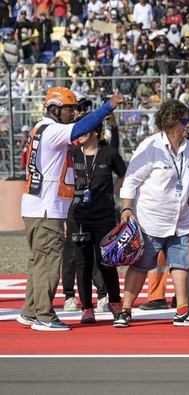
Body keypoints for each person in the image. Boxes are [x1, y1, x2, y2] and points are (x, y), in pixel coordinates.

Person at [17, 87, 124, 331]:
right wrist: (108, 106)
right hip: (47, 209)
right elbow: (79, 130)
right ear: (54, 110)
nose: (73, 113)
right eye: (68, 109)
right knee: (48, 263)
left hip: (35, 206)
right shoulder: (53, 130)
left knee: (38, 261)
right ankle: (44, 315)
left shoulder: (40, 129)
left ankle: (30, 311)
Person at [114, 100, 189, 328]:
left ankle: (182, 311)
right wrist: (126, 208)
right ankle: (125, 310)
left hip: (181, 218)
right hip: (151, 220)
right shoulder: (150, 146)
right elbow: (132, 180)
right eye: (186, 120)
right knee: (140, 266)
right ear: (172, 121)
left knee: (181, 265)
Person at [68, 112, 126, 324]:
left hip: (104, 216)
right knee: (83, 262)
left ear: (95, 132)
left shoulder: (108, 153)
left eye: (84, 128)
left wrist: (114, 193)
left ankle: (115, 302)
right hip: (79, 216)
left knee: (106, 262)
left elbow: (123, 173)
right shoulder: (73, 153)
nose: (79, 133)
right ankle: (86, 308)